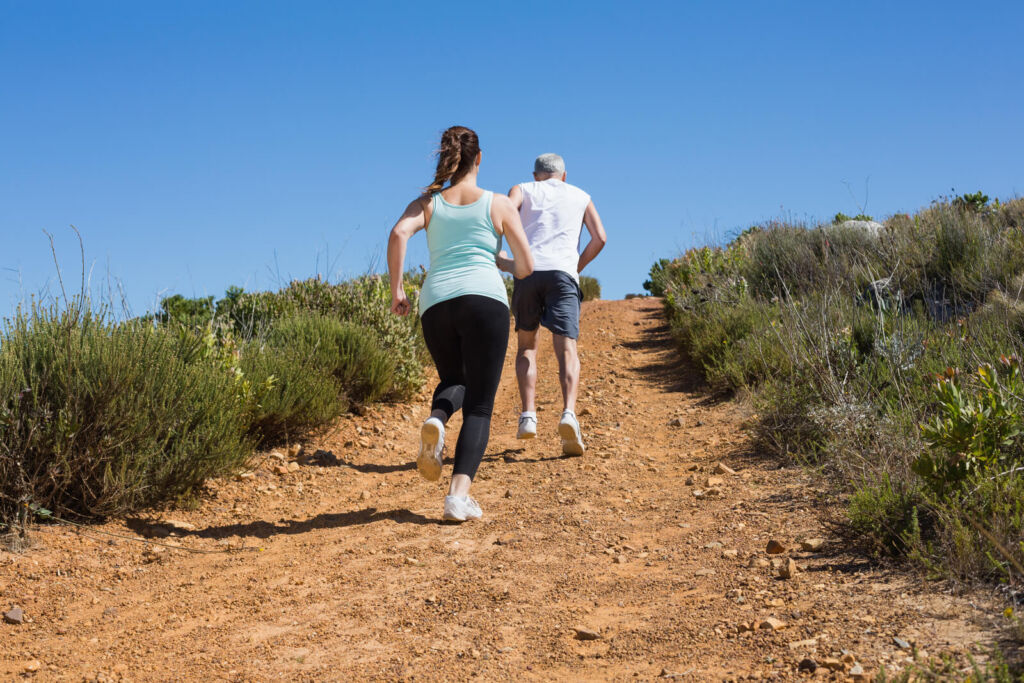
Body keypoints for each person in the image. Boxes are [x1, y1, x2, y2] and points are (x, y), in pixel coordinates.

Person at [388, 126, 533, 522]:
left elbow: (399, 233)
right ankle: (457, 497)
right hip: (484, 299)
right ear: (479, 158)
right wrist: (502, 261)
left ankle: (437, 418)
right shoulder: (499, 204)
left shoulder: (429, 203)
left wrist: (397, 289)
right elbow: (526, 265)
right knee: (481, 406)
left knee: (455, 380)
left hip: (436, 303)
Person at [496, 153, 606, 455]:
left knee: (527, 347)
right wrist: (576, 266)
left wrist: (508, 261)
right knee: (566, 349)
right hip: (563, 274)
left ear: (536, 176)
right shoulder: (581, 196)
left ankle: (528, 416)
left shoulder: (521, 189)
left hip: (528, 271)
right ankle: (569, 413)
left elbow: (503, 217)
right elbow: (600, 238)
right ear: (564, 176)